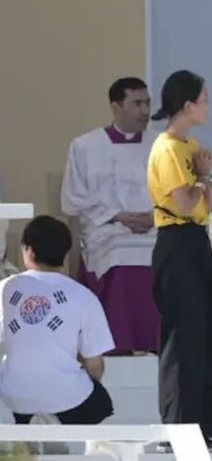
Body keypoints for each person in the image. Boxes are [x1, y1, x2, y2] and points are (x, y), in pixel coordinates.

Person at [146, 69, 212, 449]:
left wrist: (204, 179)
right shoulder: (167, 148)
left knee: (209, 333)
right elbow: (182, 201)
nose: (208, 105)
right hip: (175, 240)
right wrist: (201, 177)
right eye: (205, 98)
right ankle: (177, 428)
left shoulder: (189, 146)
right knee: (183, 337)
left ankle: (202, 427)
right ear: (188, 104)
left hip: (196, 238)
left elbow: (207, 203)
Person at [60, 77, 158, 354]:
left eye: (147, 103)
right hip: (108, 229)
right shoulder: (85, 146)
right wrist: (119, 216)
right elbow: (72, 198)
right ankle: (118, 343)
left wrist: (154, 216)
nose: (145, 111)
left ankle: (156, 341)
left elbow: (173, 192)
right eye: (137, 103)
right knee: (118, 252)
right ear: (116, 108)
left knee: (165, 253)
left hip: (154, 227)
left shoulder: (161, 145)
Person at [0, 216, 116, 426]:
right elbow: (95, 364)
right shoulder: (83, 295)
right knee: (99, 402)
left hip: (14, 396)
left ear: (29, 251)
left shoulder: (6, 288)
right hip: (67, 398)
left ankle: (33, 422)